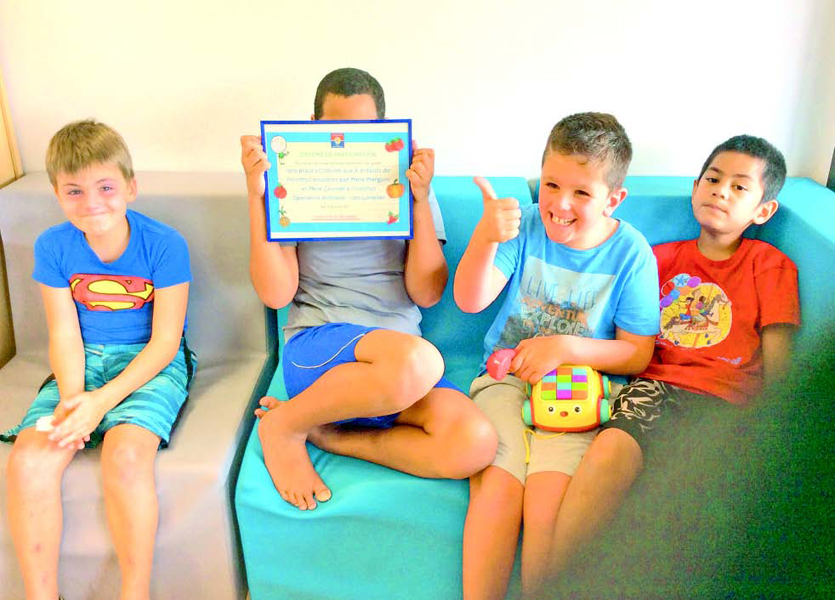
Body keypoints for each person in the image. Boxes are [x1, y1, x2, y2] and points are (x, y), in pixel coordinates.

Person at [540, 134, 799, 592]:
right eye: (713, 179)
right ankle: (555, 588)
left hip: (726, 401)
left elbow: (780, 363)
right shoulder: (656, 257)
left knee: (693, 500)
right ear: (695, 188)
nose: (720, 191)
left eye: (739, 187)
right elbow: (617, 332)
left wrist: (775, 428)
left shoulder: (769, 264)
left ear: (763, 211)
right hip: (653, 387)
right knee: (608, 452)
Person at [241, 67, 497, 512]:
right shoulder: (293, 185)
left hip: (398, 372)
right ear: (314, 127)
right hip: (320, 353)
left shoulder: (408, 186)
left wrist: (420, 200)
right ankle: (283, 426)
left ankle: (331, 435)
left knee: (475, 443)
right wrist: (256, 195)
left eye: (362, 131)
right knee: (418, 361)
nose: (345, 143)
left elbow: (427, 293)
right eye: (334, 130)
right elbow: (277, 295)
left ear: (382, 127)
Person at [454, 112, 660, 599]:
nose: (560, 204)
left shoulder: (632, 253)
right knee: (498, 485)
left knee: (548, 502)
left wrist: (565, 347)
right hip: (505, 379)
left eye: (582, 193)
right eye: (551, 185)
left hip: (577, 393)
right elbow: (470, 300)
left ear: (614, 199)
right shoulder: (525, 225)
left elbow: (637, 354)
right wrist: (486, 236)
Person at [3, 120, 196, 600]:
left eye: (105, 187)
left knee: (125, 455)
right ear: (57, 194)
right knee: (28, 461)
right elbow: (64, 332)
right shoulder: (53, 246)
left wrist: (100, 403)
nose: (92, 203)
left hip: (150, 363)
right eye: (74, 191)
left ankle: (135, 593)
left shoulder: (165, 244)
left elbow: (166, 342)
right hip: (80, 362)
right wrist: (74, 401)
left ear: (130, 187)